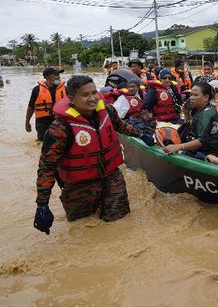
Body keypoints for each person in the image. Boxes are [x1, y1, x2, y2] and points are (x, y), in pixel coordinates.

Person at [33, 75, 154, 235]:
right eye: (85, 95)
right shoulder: (60, 128)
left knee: (120, 224)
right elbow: (47, 167)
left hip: (111, 178)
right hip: (79, 188)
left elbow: (120, 125)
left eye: (94, 93)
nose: (92, 99)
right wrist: (42, 204)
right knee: (83, 231)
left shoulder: (107, 110)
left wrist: (141, 135)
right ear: (71, 99)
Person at [163, 82, 218, 162]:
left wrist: (179, 147)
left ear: (206, 97)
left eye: (195, 95)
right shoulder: (201, 109)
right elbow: (189, 128)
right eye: (191, 95)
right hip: (208, 149)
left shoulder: (206, 113)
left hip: (210, 153)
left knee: (176, 151)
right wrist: (186, 113)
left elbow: (202, 141)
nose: (191, 98)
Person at [25, 68, 67, 141]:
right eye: (56, 75)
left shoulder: (66, 89)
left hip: (60, 119)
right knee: (43, 140)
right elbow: (31, 107)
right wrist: (27, 122)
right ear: (48, 77)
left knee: (61, 140)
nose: (59, 77)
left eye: (59, 75)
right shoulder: (37, 90)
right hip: (43, 121)